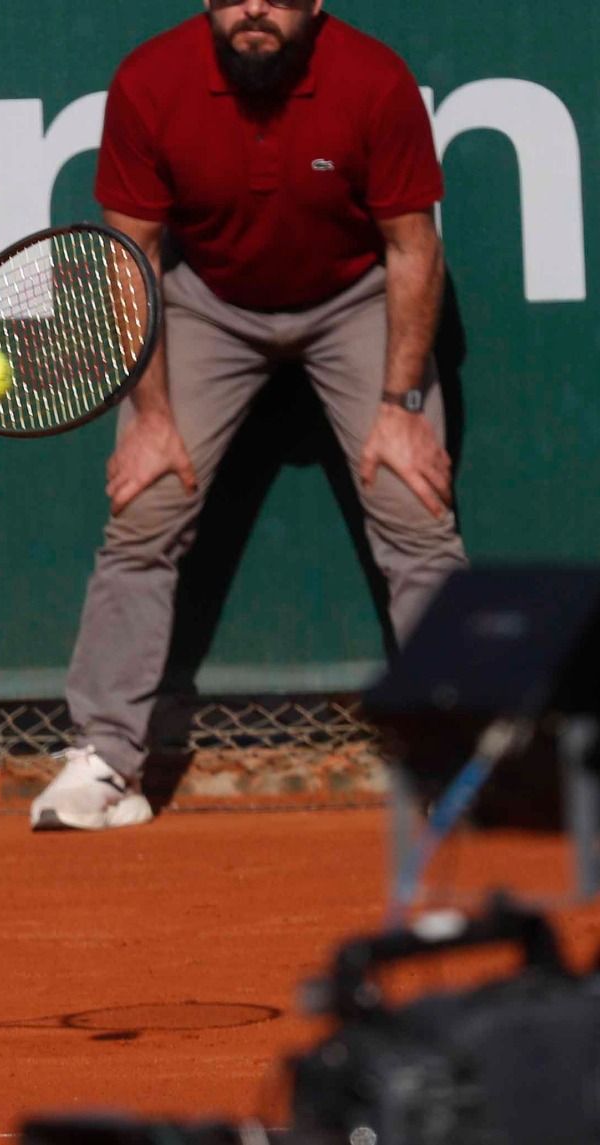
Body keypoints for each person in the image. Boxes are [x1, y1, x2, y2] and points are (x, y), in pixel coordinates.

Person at [30, 0, 467, 831]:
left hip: (357, 299)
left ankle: (465, 752)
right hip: (208, 303)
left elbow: (414, 248)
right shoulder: (150, 80)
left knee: (414, 505)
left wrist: (402, 404)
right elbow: (133, 259)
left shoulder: (373, 80)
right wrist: (152, 414)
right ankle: (105, 756)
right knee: (147, 505)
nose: (254, 9)